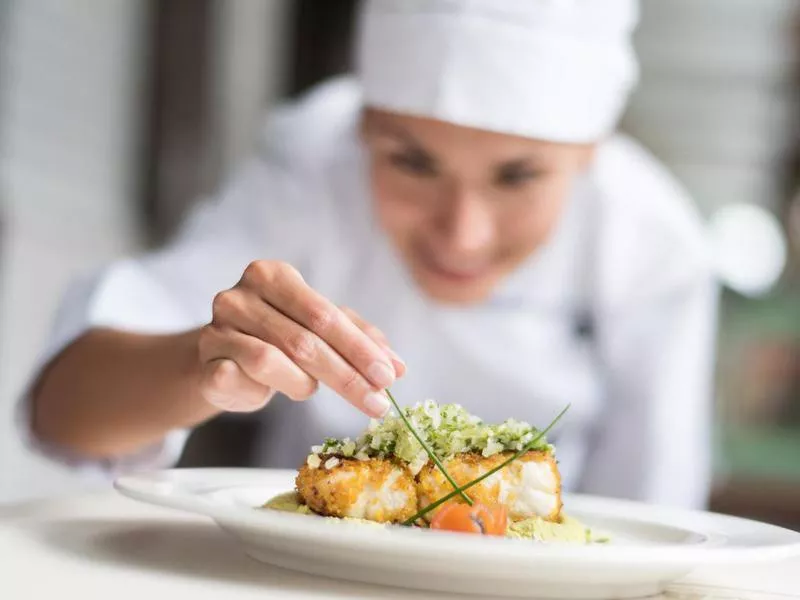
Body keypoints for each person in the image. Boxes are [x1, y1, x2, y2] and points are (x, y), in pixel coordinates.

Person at [21, 0, 718, 507]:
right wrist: (201, 364)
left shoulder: (651, 239)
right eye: (411, 162)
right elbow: (62, 411)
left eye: (518, 176)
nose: (462, 234)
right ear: (362, 128)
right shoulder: (313, 162)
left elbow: (654, 512)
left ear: (589, 154)